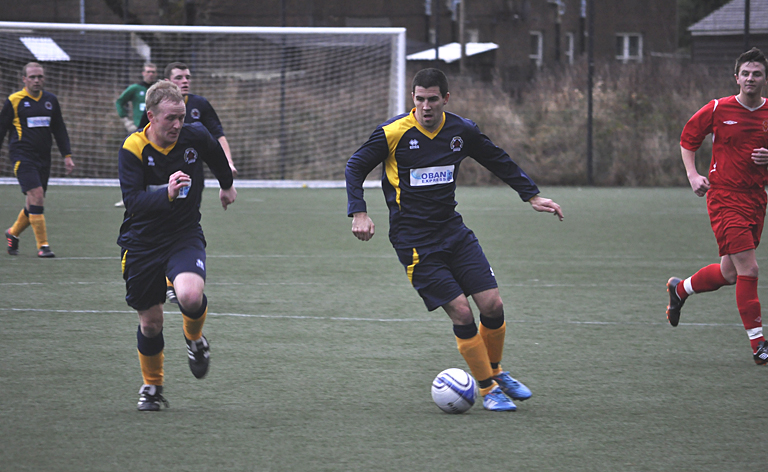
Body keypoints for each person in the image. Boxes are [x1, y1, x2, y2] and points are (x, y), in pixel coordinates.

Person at [345, 68, 564, 412]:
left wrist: (531, 195)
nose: (426, 106)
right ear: (412, 98)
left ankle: (495, 371)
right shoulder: (393, 132)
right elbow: (355, 166)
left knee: (492, 305)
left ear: (445, 99)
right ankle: (488, 389)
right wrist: (359, 212)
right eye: (420, 99)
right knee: (461, 311)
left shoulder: (462, 130)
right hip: (414, 241)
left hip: (453, 231)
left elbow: (496, 159)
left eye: (433, 99)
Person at [118, 80, 236, 411]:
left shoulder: (193, 135)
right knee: (150, 323)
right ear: (151, 116)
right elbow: (133, 202)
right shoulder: (133, 148)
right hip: (142, 241)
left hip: (183, 233)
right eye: (171, 118)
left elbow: (216, 156)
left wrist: (227, 185)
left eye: (182, 117)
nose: (178, 124)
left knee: (190, 295)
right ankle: (153, 387)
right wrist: (166, 194)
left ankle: (195, 340)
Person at [667, 47, 768, 365]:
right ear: (736, 77)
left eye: (757, 73)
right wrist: (692, 174)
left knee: (730, 273)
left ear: (765, 79)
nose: (750, 78)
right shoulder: (718, 108)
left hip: (756, 199)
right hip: (724, 198)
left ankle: (680, 289)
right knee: (749, 269)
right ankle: (759, 346)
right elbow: (688, 138)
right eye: (745, 73)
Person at [1, 62, 75, 258]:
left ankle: (13, 233)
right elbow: (1, 129)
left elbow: (59, 129)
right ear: (24, 79)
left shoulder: (50, 100)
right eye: (32, 77)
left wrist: (67, 155)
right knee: (37, 194)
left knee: (34, 202)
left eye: (39, 77)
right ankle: (43, 246)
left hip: (44, 158)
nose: (36, 80)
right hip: (22, 156)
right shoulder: (14, 101)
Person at [114, 63, 157, 207]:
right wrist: (126, 121)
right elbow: (120, 102)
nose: (151, 74)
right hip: (139, 132)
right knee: (135, 163)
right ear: (143, 73)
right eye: (148, 71)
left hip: (157, 132)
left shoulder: (158, 90)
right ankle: (128, 195)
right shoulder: (135, 89)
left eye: (153, 72)